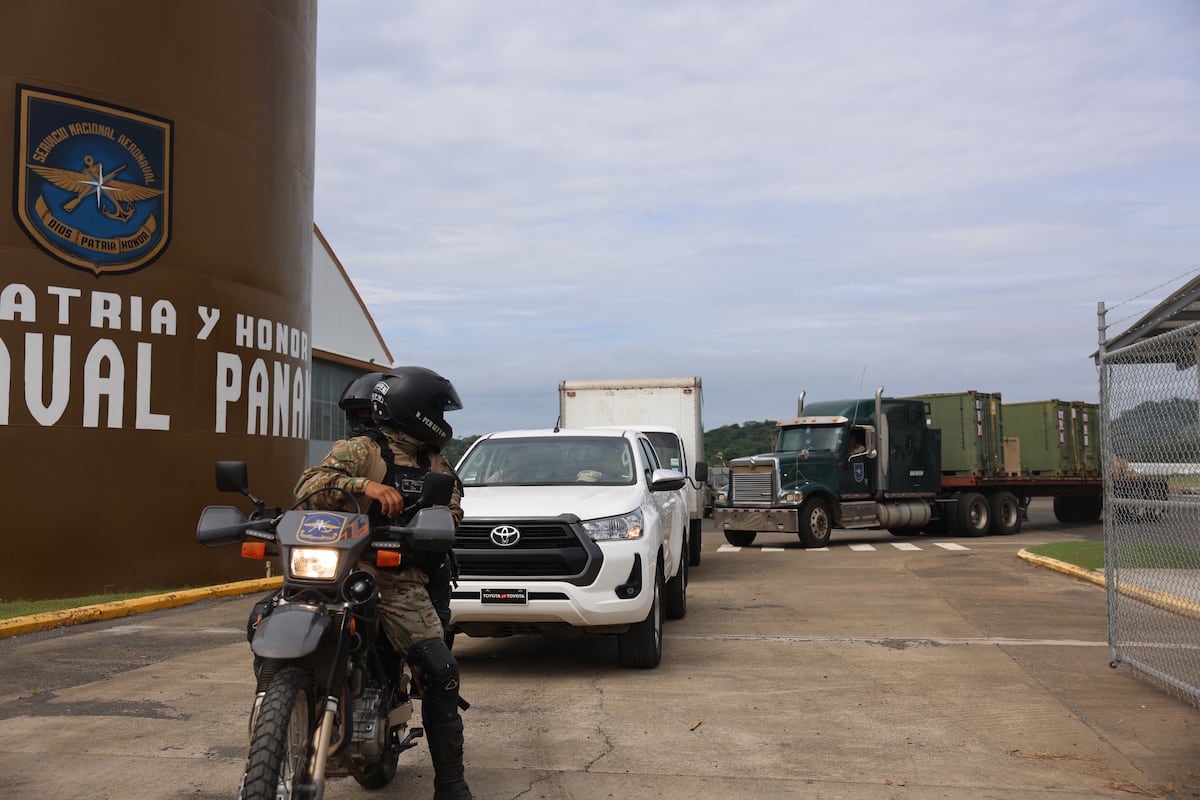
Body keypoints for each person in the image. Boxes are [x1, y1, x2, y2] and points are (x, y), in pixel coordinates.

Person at [295, 366, 473, 800]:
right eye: (436, 409)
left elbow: (453, 513)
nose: (442, 418)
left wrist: (430, 522)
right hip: (340, 570)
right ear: (415, 410)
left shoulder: (437, 463)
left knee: (440, 670)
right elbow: (306, 487)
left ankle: (451, 784)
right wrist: (365, 487)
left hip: (399, 579)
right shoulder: (360, 450)